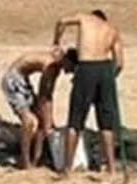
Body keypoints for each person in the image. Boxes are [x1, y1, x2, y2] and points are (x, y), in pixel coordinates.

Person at [51, 10, 125, 175]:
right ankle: (112, 169)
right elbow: (119, 63)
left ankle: (68, 168)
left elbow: (61, 20)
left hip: (87, 67)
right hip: (105, 69)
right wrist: (109, 78)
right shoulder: (112, 29)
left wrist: (56, 41)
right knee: (106, 123)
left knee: (75, 120)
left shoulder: (85, 18)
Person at [0, 47, 77, 169]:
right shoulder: (51, 67)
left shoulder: (56, 64)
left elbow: (48, 96)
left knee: (42, 123)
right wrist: (49, 120)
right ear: (67, 61)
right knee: (29, 121)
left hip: (23, 81)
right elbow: (43, 96)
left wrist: (49, 121)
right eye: (70, 69)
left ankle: (36, 159)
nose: (68, 72)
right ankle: (25, 161)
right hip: (13, 80)